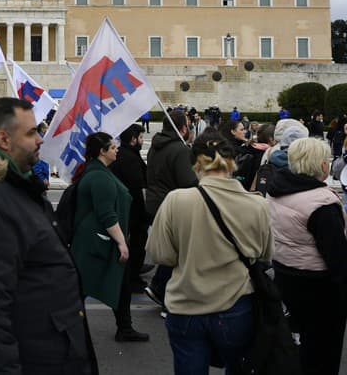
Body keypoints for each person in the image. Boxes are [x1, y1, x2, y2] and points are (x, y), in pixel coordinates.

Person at [0, 97, 98, 374]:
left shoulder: (9, 188)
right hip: (32, 356)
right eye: (31, 132)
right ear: (3, 139)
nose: (39, 139)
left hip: (44, 349)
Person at [146, 132, 273, 374]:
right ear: (233, 163)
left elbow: (161, 255)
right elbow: (265, 256)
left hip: (186, 304)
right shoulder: (257, 205)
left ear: (196, 165)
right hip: (236, 304)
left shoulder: (176, 200)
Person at [266, 137, 347, 375]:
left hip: (287, 275)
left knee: (301, 347)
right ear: (320, 165)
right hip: (320, 288)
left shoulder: (276, 188)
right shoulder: (321, 203)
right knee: (324, 353)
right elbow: (338, 260)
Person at [72, 131, 148, 342]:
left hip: (99, 240)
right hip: (99, 242)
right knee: (83, 287)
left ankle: (124, 327)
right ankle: (71, 328)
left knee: (118, 285)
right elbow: (106, 214)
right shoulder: (99, 176)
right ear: (102, 152)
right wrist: (122, 242)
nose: (117, 150)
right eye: (112, 148)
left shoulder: (99, 171)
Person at [144, 110, 197, 312]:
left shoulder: (157, 146)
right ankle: (162, 288)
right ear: (182, 128)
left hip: (156, 202)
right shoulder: (180, 150)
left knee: (173, 249)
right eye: (188, 124)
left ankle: (160, 286)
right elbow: (188, 182)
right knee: (179, 251)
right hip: (173, 205)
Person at [110, 124, 149, 293]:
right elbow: (137, 184)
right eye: (140, 137)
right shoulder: (130, 158)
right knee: (136, 240)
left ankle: (132, 273)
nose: (142, 141)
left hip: (127, 207)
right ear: (133, 139)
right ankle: (132, 277)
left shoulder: (124, 154)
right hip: (133, 208)